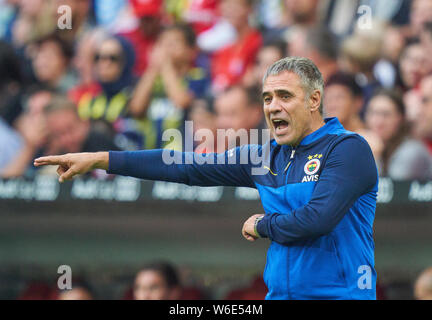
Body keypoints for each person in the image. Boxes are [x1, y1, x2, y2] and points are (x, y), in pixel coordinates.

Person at [34, 57, 378, 300]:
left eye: (285, 96)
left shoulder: (348, 150)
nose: (273, 106)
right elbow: (184, 166)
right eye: (267, 98)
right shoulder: (265, 155)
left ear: (315, 100)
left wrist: (262, 224)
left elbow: (318, 219)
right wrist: (101, 159)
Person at [365, 89, 432, 180]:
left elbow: (392, 190)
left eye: (386, 114)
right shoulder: (370, 144)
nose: (378, 122)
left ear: (400, 118)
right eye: (373, 113)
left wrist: (373, 158)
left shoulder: (412, 151)